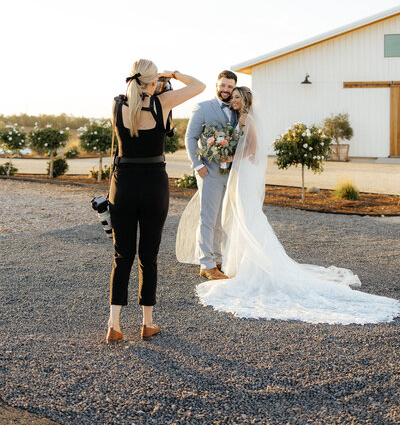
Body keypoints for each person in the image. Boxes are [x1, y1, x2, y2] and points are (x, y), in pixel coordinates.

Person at [194, 89, 400, 324]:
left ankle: (254, 262)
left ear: (246, 100)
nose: (233, 101)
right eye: (232, 98)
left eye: (238, 98)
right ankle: (241, 261)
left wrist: (230, 158)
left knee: (247, 214)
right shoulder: (240, 118)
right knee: (242, 213)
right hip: (243, 170)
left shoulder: (247, 119)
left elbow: (253, 148)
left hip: (245, 169)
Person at [106, 59, 205, 342]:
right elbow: (199, 86)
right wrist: (173, 74)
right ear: (154, 81)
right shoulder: (163, 103)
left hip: (123, 185)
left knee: (121, 256)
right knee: (148, 257)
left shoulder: (116, 105)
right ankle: (147, 323)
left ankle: (114, 325)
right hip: (153, 186)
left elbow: (131, 100)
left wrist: (147, 82)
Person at [183, 70, 239, 280]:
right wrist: (197, 165)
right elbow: (190, 137)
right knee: (208, 218)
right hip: (209, 171)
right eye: (223, 85)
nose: (226, 89)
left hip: (229, 172)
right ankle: (206, 264)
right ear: (217, 84)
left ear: (234, 88)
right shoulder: (204, 108)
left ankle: (216, 258)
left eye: (229, 87)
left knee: (221, 219)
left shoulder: (236, 109)